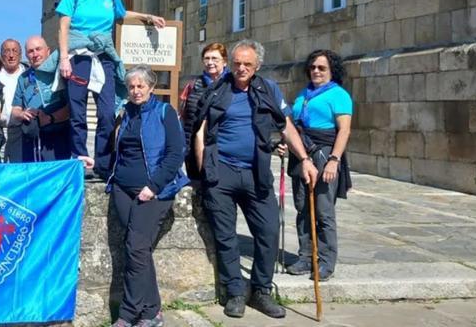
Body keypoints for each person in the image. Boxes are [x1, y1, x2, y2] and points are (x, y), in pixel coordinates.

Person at [194, 40, 317, 319]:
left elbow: (286, 126)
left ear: (257, 66)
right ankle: (235, 292)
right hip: (222, 171)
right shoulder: (217, 89)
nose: (241, 68)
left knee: (268, 231)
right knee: (226, 236)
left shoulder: (268, 89)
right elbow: (201, 130)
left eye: (247, 64)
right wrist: (205, 170)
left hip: (256, 172)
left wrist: (305, 159)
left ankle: (261, 290)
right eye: (237, 63)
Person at [56, 0, 165, 172]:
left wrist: (147, 17)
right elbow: (63, 27)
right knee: (77, 113)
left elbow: (122, 13)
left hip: (104, 56)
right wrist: (64, 59)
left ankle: (103, 163)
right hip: (78, 57)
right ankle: (79, 160)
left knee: (107, 112)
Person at [100, 65, 189, 327]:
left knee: (136, 248)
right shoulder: (125, 113)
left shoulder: (164, 112)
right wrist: (99, 168)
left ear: (151, 87)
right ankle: (152, 311)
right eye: (131, 87)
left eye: (141, 86)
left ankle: (128, 314)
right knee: (138, 249)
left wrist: (154, 186)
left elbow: (175, 152)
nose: (136, 91)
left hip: (152, 191)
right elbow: (116, 151)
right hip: (122, 189)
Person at [284, 50, 353, 281]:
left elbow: (344, 130)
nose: (316, 71)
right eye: (313, 67)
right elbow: (294, 126)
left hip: (324, 154)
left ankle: (325, 261)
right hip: (301, 154)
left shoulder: (339, 95)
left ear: (332, 71)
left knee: (323, 210)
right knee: (303, 208)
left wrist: (334, 160)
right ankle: (306, 257)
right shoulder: (304, 93)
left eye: (322, 68)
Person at [10, 36, 71, 161]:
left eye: (38, 49)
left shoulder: (61, 73)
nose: (35, 54)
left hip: (58, 138)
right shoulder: (23, 78)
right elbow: (15, 109)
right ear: (26, 55)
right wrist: (22, 114)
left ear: (48, 51)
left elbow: (71, 108)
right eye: (30, 51)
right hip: (31, 138)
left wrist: (49, 118)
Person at [179, 42, 229, 178]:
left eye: (215, 59)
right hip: (194, 149)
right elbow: (185, 118)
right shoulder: (193, 85)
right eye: (207, 58)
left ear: (224, 62)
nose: (210, 62)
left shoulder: (232, 85)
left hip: (222, 150)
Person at [0, 39, 26, 161]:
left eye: (15, 51)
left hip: (21, 131)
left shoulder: (28, 75)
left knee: (19, 166)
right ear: (1, 55)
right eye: (7, 51)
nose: (11, 55)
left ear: (20, 54)